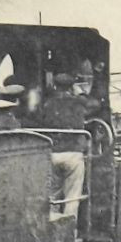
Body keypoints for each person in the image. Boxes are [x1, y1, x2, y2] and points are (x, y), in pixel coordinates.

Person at [40, 74, 88, 218]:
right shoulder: (77, 103)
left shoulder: (48, 104)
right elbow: (92, 105)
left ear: (55, 86)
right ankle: (69, 234)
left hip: (53, 154)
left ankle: (52, 231)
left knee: (53, 196)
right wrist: (80, 92)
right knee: (72, 197)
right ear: (71, 87)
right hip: (73, 154)